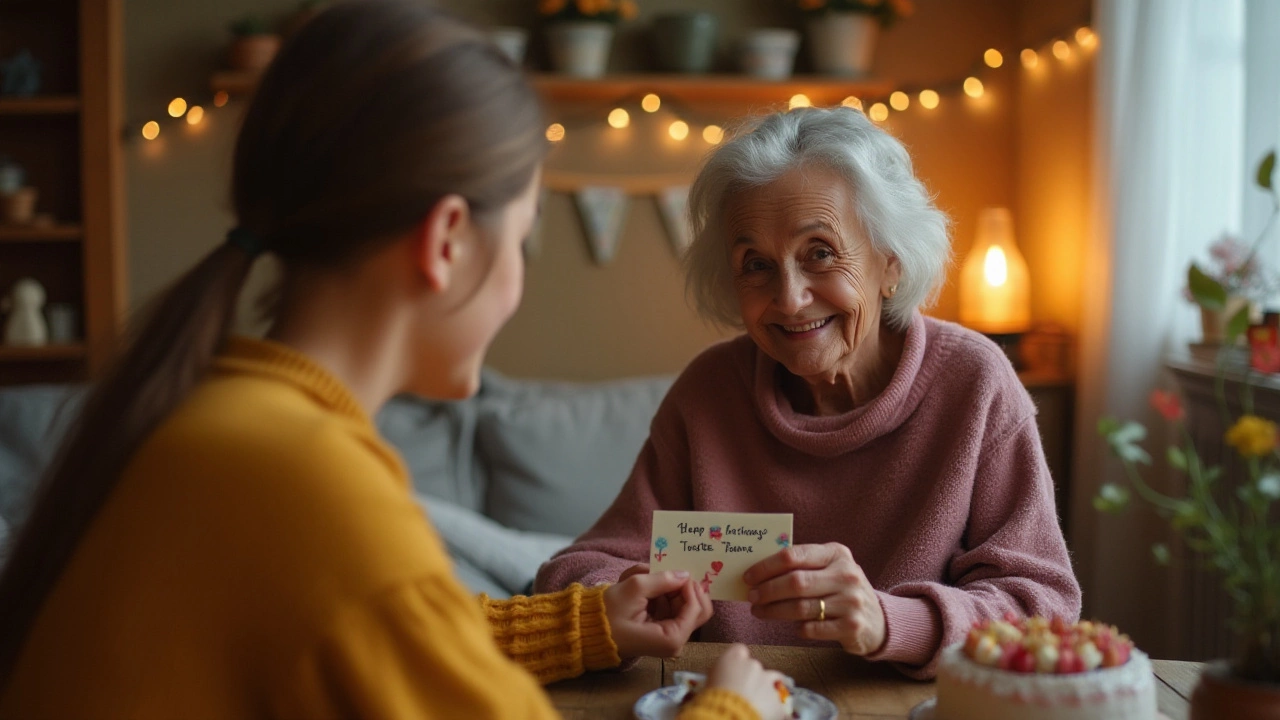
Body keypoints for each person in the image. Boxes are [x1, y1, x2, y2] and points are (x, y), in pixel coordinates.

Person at [0, 3, 788, 718]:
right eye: (520, 240)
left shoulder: (225, 417)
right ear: (446, 242)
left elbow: (383, 633)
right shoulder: (302, 478)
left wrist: (584, 622)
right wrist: (729, 711)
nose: (515, 279)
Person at [536, 106, 1083, 679]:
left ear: (889, 261)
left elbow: (1042, 608)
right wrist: (622, 594)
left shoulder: (974, 385)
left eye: (819, 252)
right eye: (756, 265)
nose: (790, 298)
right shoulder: (709, 393)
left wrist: (891, 620)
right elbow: (571, 571)